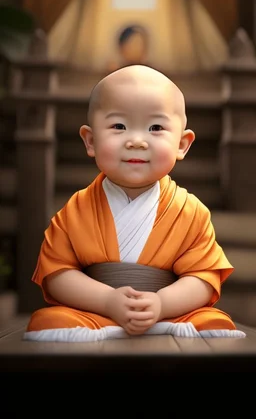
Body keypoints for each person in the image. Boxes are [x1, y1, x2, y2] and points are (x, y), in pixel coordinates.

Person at [24, 65, 245, 342]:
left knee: (213, 322)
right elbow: (57, 274)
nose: (137, 141)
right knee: (50, 320)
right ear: (90, 141)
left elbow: (202, 277)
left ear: (182, 144)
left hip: (169, 312)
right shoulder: (76, 209)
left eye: (155, 127)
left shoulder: (190, 212)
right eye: (119, 126)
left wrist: (161, 303)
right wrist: (108, 302)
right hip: (95, 310)